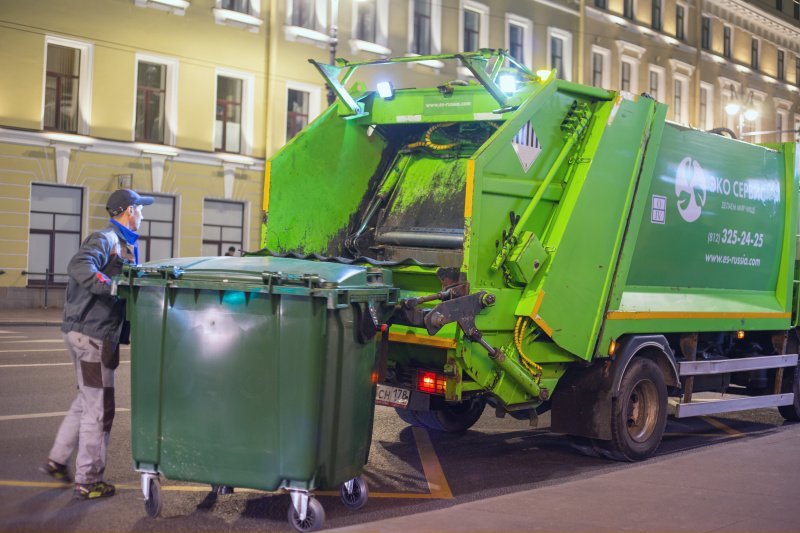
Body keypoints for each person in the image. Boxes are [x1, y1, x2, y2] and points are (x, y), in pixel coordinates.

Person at [41, 188, 153, 500]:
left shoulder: (122, 244)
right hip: (93, 336)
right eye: (140, 209)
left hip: (89, 333)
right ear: (129, 211)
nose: (143, 214)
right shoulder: (107, 239)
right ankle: (88, 480)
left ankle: (56, 460)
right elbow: (80, 266)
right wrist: (113, 286)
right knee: (99, 408)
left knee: (86, 400)